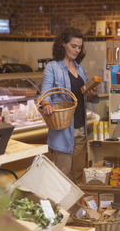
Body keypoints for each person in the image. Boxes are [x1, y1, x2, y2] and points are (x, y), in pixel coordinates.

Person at [39, 27, 99, 184]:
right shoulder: (52, 67)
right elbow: (45, 95)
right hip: (62, 131)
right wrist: (47, 105)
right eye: (74, 46)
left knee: (78, 176)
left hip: (80, 129)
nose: (77, 50)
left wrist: (91, 95)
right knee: (63, 177)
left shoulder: (81, 68)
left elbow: (84, 96)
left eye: (79, 47)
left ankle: (75, 209)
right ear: (63, 44)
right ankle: (61, 209)